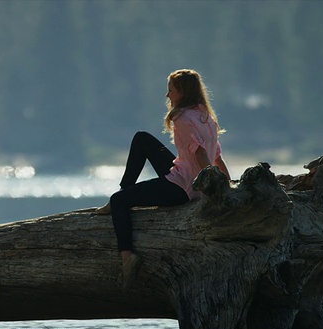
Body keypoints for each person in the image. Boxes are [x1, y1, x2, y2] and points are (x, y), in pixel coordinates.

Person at [94, 69, 230, 273]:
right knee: (142, 139)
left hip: (182, 188)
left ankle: (127, 258)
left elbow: (202, 153)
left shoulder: (182, 118)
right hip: (190, 179)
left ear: (183, 92)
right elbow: (217, 156)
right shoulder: (205, 115)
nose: (168, 95)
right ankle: (125, 190)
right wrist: (227, 183)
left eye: (171, 90)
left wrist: (216, 188)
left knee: (118, 201)